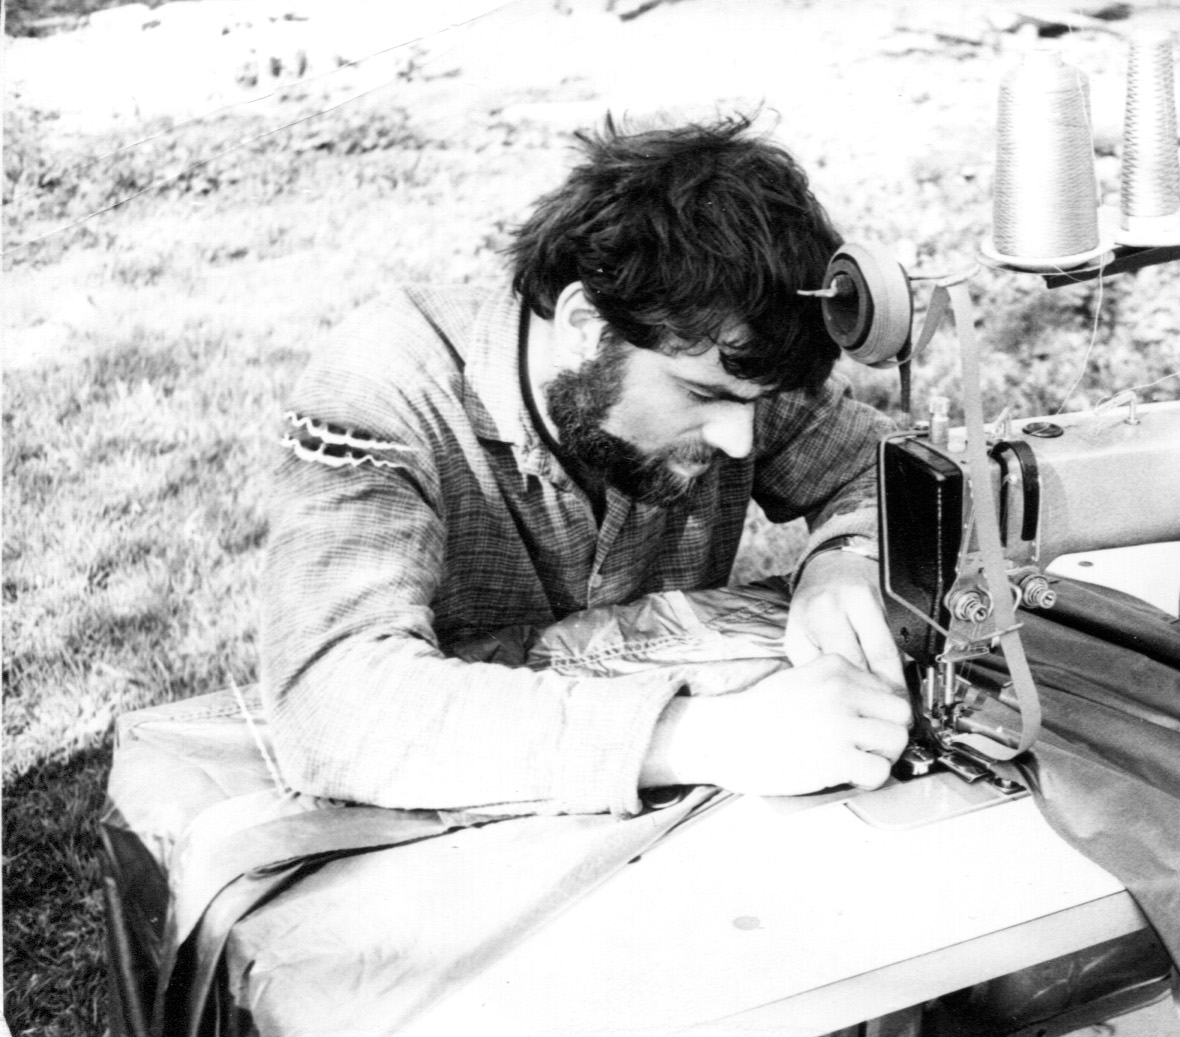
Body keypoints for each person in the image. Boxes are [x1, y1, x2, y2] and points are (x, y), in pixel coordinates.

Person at [259, 114, 911, 816]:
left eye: (754, 405)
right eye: (702, 398)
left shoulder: (722, 362)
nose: (738, 441)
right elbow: (330, 702)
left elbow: (881, 471)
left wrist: (845, 559)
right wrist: (707, 738)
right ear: (585, 327)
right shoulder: (383, 387)